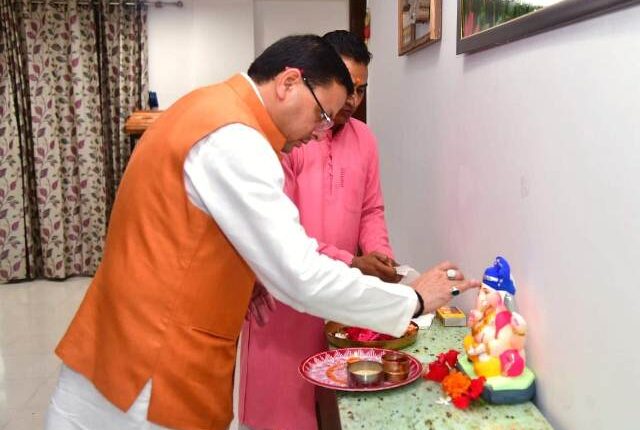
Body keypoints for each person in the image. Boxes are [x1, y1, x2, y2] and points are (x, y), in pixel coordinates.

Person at [45, 34, 478, 430]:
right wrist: (413, 299)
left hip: (118, 351)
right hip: (149, 372)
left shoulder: (209, 107)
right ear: (289, 82)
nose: (319, 132)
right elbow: (300, 274)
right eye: (321, 115)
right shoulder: (237, 140)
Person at [239, 30, 403, 430]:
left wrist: (379, 255)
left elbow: (371, 209)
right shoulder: (291, 138)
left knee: (338, 403)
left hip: (340, 299)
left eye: (360, 90)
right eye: (345, 86)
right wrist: (353, 263)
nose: (351, 99)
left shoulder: (365, 139)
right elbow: (281, 239)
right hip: (284, 301)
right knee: (280, 413)